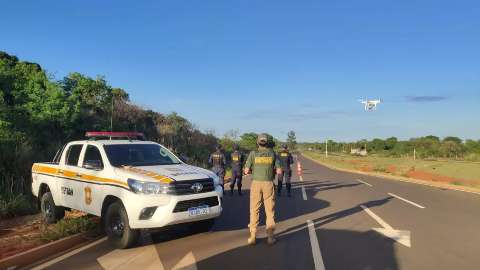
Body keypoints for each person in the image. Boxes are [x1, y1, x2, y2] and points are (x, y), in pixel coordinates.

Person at [244, 133, 282, 245]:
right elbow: (279, 171)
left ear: (257, 142)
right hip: (268, 184)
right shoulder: (272, 154)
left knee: (254, 210)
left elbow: (246, 171)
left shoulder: (253, 153)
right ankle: (270, 237)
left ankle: (252, 237)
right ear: (267, 142)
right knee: (270, 211)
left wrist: (251, 169)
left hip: (256, 183)